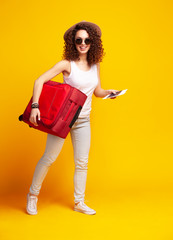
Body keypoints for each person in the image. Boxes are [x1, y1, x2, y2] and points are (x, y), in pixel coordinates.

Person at [26, 20, 118, 215]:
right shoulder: (67, 64)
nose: (83, 43)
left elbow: (97, 91)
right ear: (73, 42)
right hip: (64, 119)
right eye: (79, 40)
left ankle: (79, 203)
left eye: (86, 40)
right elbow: (39, 80)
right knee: (49, 158)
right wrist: (35, 106)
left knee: (82, 162)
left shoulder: (95, 65)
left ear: (93, 42)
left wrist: (109, 93)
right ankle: (32, 196)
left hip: (83, 120)